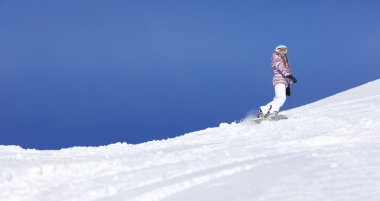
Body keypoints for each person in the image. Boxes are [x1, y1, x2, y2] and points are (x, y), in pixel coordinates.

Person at [257, 44, 297, 118]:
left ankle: (263, 110)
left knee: (278, 98)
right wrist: (289, 75)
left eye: (284, 50)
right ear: (277, 51)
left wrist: (288, 87)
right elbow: (280, 67)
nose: (283, 52)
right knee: (281, 98)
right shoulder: (277, 58)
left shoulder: (284, 59)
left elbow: (284, 75)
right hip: (279, 80)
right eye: (281, 50)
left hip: (282, 81)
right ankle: (272, 112)